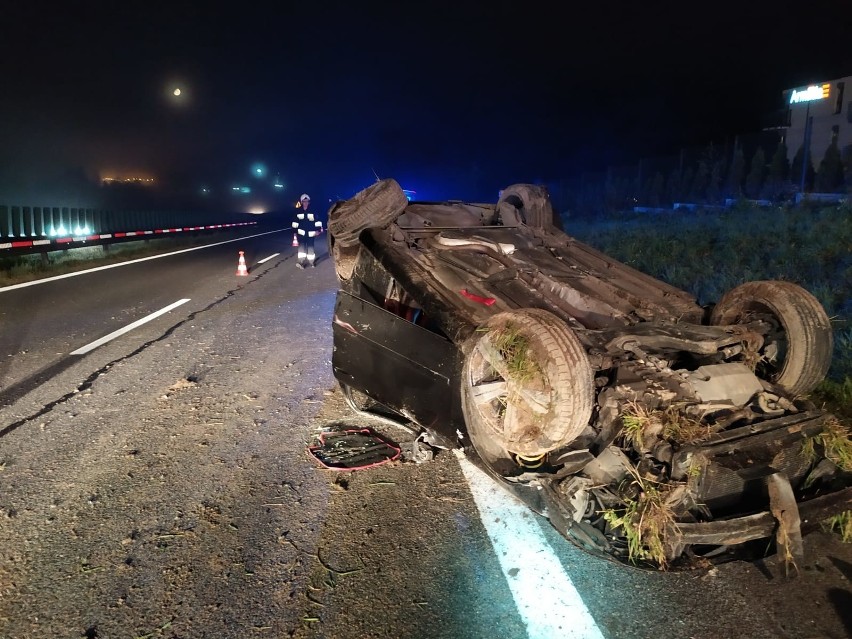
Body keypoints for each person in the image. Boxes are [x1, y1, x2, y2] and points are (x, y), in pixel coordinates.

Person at [292, 193, 323, 268]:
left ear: (309, 202)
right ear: (301, 202)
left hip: (311, 233)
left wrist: (318, 230)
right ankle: (300, 262)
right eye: (304, 201)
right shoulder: (298, 211)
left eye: (307, 201)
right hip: (301, 234)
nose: (305, 203)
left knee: (310, 248)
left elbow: (318, 221)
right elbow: (295, 223)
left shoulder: (313, 210)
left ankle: (311, 262)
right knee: (301, 248)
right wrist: (294, 233)